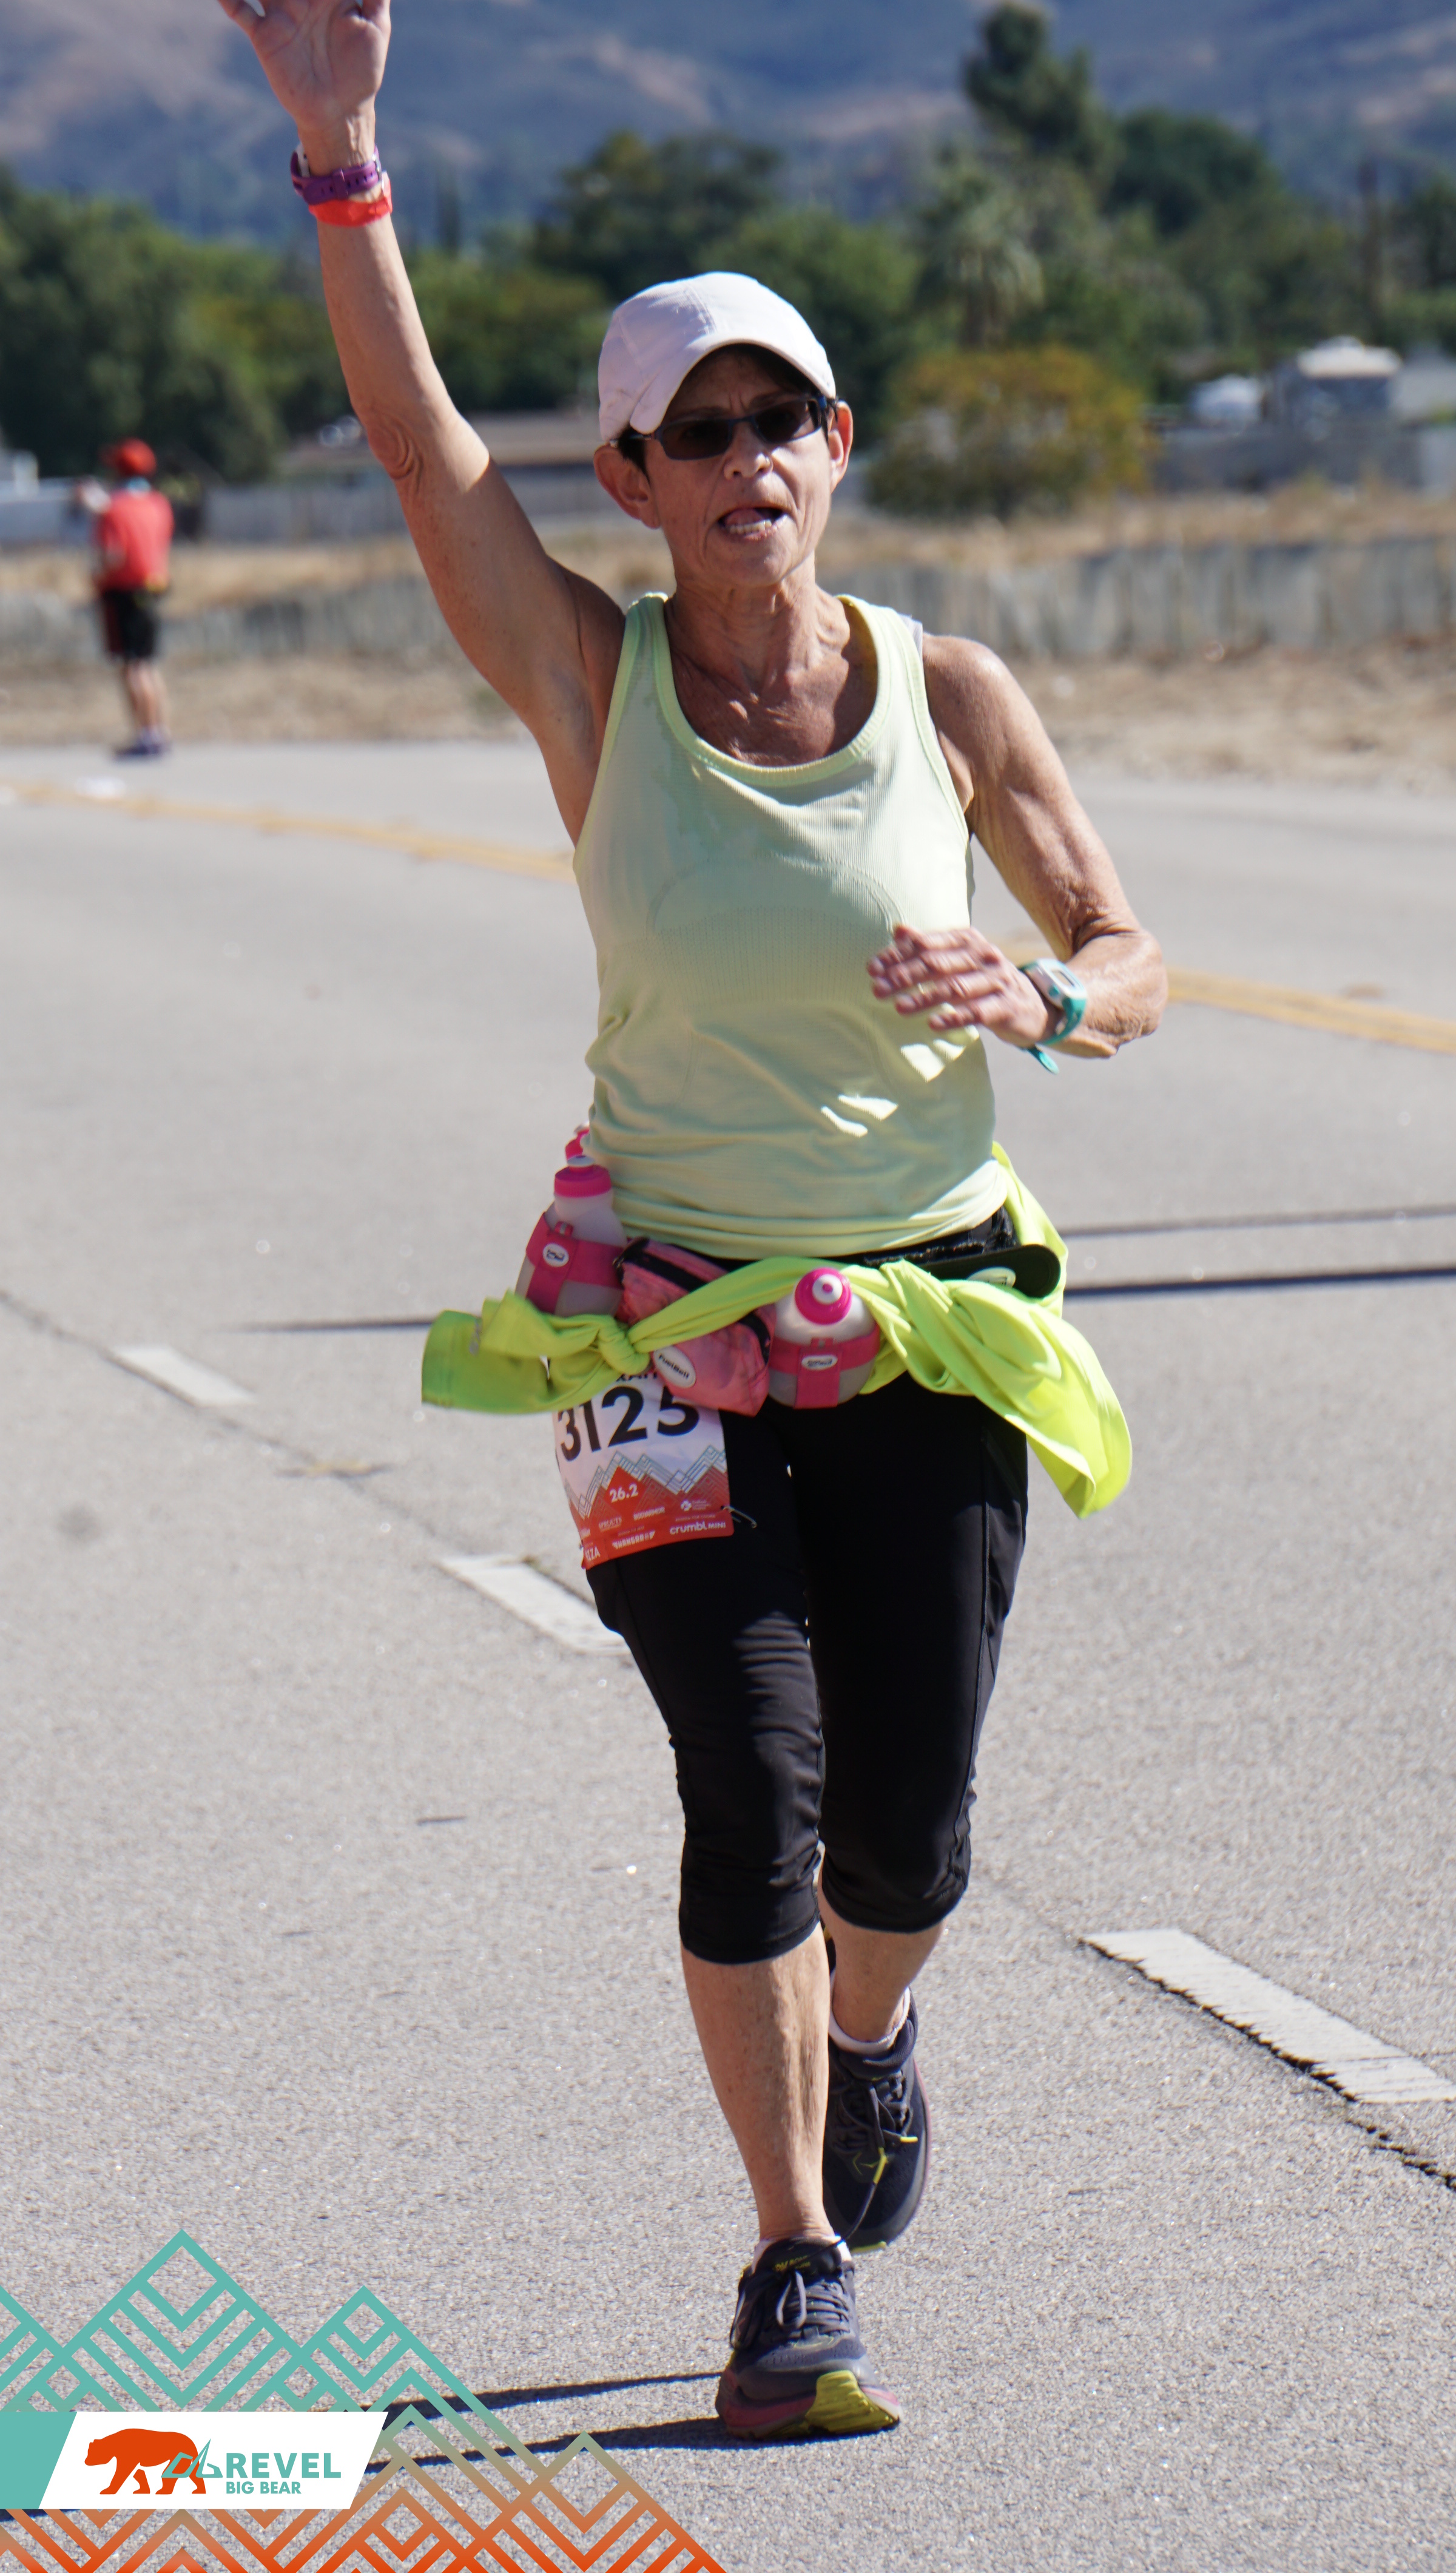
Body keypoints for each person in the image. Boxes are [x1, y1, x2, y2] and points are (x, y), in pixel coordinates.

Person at [218, 0, 1167, 2443]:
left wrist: (1047, 996)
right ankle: (789, 2255)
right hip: (660, 1327)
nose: (753, 459)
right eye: (703, 430)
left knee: (909, 1833)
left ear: (839, 448)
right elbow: (425, 459)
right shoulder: (591, 679)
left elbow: (1128, 948)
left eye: (786, 419)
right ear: (636, 477)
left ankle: (879, 2027)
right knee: (752, 1783)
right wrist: (344, 159)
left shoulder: (952, 692)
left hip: (928, 1311)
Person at [75, 438, 174, 757]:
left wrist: (95, 577)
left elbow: (112, 556)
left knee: (132, 667)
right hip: (154, 587)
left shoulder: (113, 509)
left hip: (123, 592)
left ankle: (145, 734)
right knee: (149, 663)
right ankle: (160, 730)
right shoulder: (159, 503)